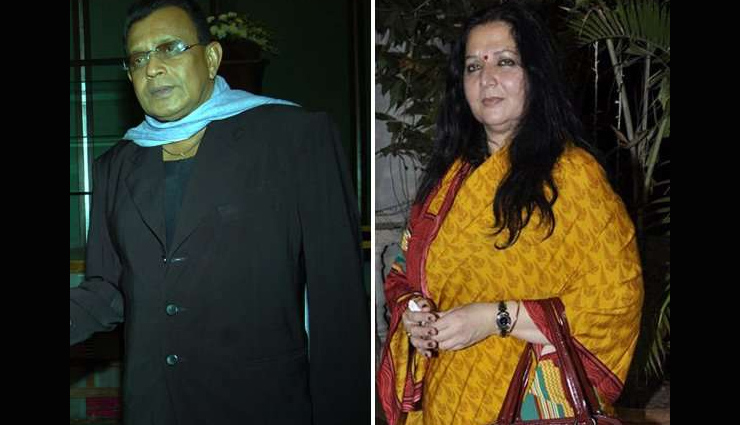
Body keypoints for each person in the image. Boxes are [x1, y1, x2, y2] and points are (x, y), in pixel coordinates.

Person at [69, 1, 369, 424]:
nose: (152, 68)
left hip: (259, 404)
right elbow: (108, 288)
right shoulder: (116, 165)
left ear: (211, 58)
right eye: (138, 58)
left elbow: (337, 299)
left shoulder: (294, 138)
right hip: (154, 407)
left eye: (170, 48)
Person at [377, 2, 643, 424]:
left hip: (532, 402)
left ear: (535, 76)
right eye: (473, 67)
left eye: (505, 61)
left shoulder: (573, 176)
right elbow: (403, 273)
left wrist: (496, 317)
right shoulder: (448, 183)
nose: (487, 78)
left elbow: (615, 300)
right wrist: (416, 316)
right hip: (448, 400)